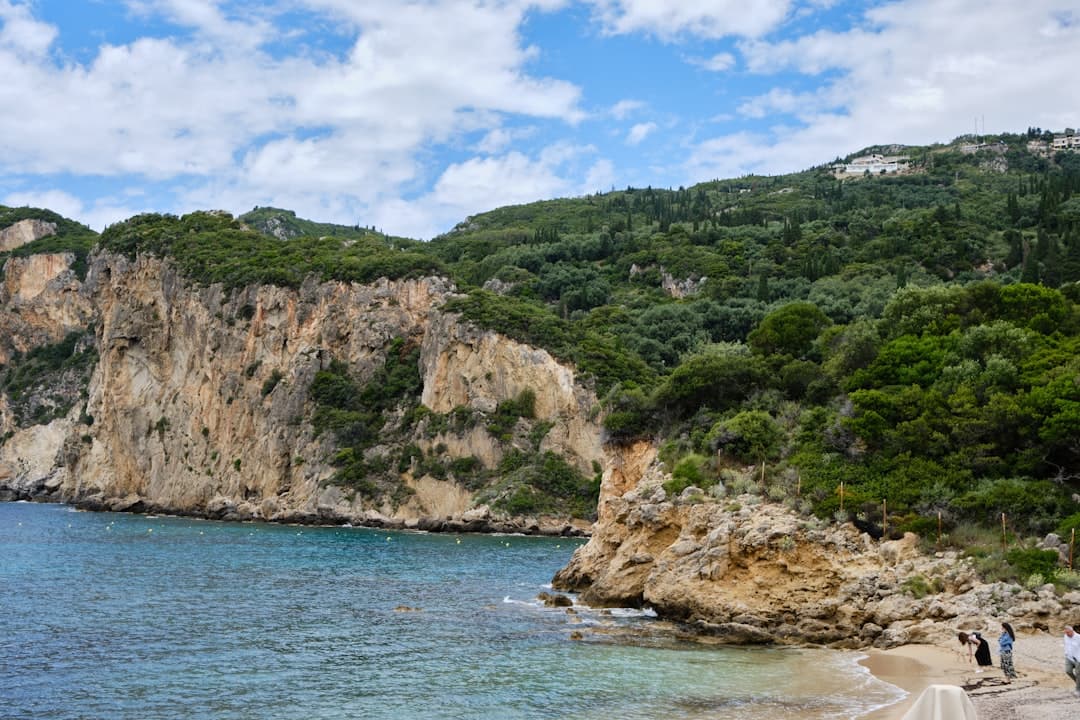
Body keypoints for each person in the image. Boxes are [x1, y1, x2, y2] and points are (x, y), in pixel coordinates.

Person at [1065, 625, 1080, 696]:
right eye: (1066, 633)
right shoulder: (1065, 636)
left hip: (1078, 658)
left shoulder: (1078, 637)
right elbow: (1066, 645)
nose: (1067, 634)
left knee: (1078, 674)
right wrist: (1066, 653)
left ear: (1072, 631)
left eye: (1068, 633)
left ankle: (1078, 689)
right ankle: (1078, 683)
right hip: (1069, 658)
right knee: (1068, 671)